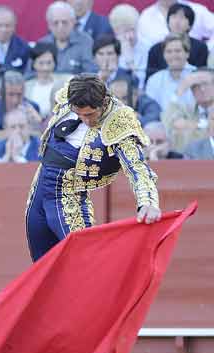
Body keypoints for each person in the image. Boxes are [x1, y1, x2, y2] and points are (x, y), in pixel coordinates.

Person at [25, 73, 160, 263]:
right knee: (41, 263)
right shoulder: (69, 96)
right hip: (40, 185)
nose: (85, 120)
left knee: (86, 261)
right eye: (78, 114)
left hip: (68, 192)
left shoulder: (119, 120)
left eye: (89, 114)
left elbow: (137, 166)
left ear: (103, 103)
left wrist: (147, 201)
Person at [145, 3, 209, 81]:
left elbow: (201, 77)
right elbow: (149, 80)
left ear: (190, 25)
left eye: (182, 18)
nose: (177, 22)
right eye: (174, 17)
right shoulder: (155, 49)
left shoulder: (200, 48)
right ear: (168, 22)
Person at [161, 69, 214, 151]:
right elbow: (166, 123)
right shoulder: (185, 112)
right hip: (188, 161)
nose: (202, 89)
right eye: (195, 86)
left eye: (205, 84)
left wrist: (193, 125)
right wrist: (179, 91)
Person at [39, 2, 97, 74]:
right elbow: (29, 75)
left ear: (73, 22)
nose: (60, 27)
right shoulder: (42, 44)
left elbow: (92, 72)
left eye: (64, 22)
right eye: (55, 23)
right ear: (49, 25)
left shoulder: (86, 42)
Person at [137, 0, 214, 52]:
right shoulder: (146, 17)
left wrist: (207, 50)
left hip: (196, 65)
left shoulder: (197, 10)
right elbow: (142, 46)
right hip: (160, 68)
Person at [145, 33, 196, 110]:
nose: (173, 55)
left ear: (187, 53)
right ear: (164, 55)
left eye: (178, 51)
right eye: (169, 51)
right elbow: (151, 110)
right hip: (162, 121)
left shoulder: (198, 76)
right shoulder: (154, 80)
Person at [25, 43, 73, 117]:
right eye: (41, 63)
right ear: (33, 64)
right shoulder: (26, 87)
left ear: (55, 63)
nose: (45, 68)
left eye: (49, 63)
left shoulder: (65, 82)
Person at [108, 4, 148, 90]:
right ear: (116, 32)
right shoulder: (110, 49)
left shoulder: (146, 47)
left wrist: (129, 59)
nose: (131, 36)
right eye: (125, 31)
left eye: (132, 29)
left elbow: (138, 82)